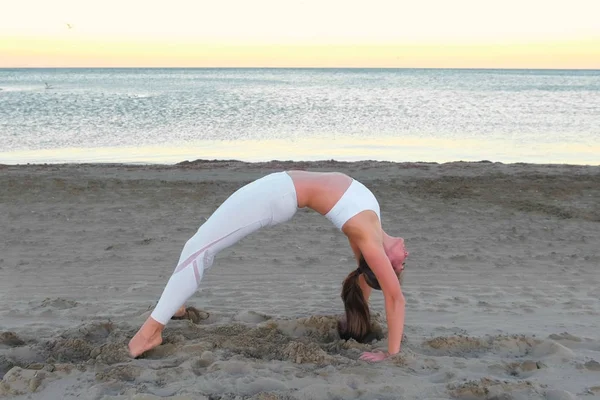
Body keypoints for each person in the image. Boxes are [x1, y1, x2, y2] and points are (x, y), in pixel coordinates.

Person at [128, 171, 409, 362]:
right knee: (198, 243)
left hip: (275, 196)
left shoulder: (368, 238)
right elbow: (364, 276)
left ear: (383, 261)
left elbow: (395, 298)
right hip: (277, 186)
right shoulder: (372, 225)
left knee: (199, 250)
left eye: (396, 268)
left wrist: (391, 355)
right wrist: (360, 315)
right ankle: (175, 305)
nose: (404, 261)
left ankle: (149, 333)